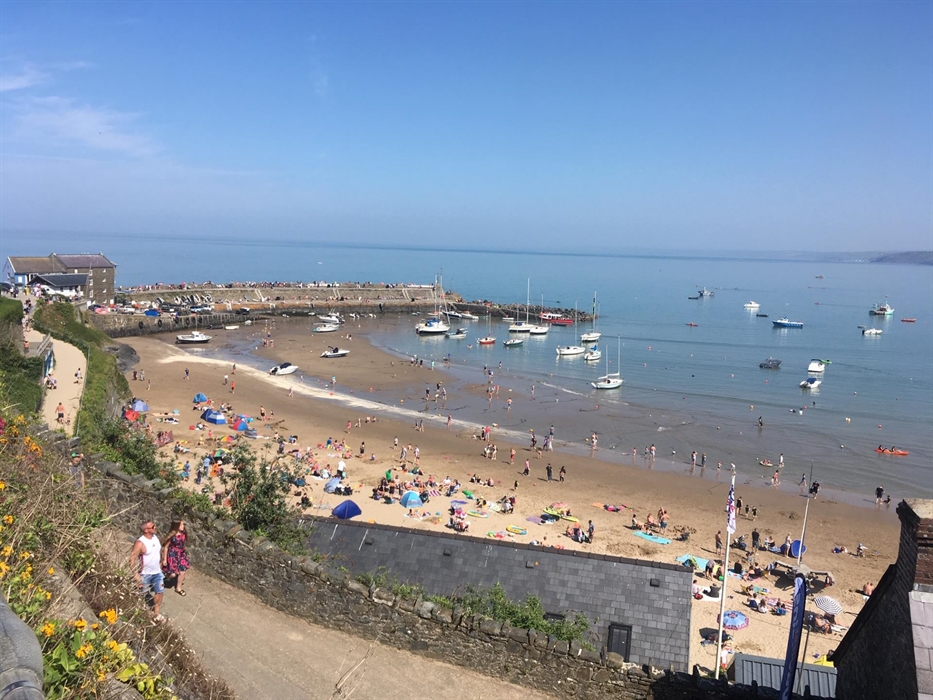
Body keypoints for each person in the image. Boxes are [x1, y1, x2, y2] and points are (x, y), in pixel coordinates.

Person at [130, 520, 165, 621]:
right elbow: (132, 559)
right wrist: (135, 574)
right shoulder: (140, 543)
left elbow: (159, 550)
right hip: (145, 574)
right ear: (146, 530)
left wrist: (161, 562)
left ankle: (156, 613)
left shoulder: (155, 538)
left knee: (160, 592)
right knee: (142, 594)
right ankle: (138, 613)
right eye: (153, 526)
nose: (155, 527)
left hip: (157, 573)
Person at [161, 520, 190, 596]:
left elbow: (183, 543)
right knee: (173, 574)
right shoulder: (172, 536)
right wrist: (164, 559)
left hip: (181, 555)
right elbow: (166, 547)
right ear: (176, 526)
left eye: (183, 524)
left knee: (182, 572)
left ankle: (178, 588)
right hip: (172, 555)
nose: (183, 526)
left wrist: (184, 550)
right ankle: (164, 576)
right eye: (181, 525)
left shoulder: (183, 534)